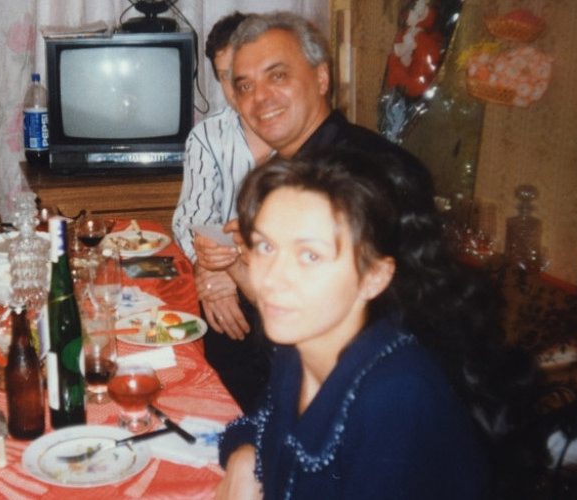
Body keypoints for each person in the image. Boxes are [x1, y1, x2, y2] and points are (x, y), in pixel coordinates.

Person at [194, 11, 438, 414]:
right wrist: (227, 263)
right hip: (281, 382)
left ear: (322, 78)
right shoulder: (282, 170)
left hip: (350, 404)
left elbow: (370, 331)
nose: (259, 98)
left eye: (277, 76)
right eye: (244, 85)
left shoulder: (371, 171)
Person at [216, 151, 490, 499]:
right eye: (266, 246)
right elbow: (257, 424)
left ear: (374, 277)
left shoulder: (395, 397)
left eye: (310, 255)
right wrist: (245, 456)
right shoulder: (301, 342)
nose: (272, 279)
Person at [170, 12, 274, 414]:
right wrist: (212, 270)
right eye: (225, 78)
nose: (237, 89)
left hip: (289, 281)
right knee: (216, 342)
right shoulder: (208, 136)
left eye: (242, 75)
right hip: (228, 288)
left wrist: (225, 269)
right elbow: (192, 217)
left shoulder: (296, 130)